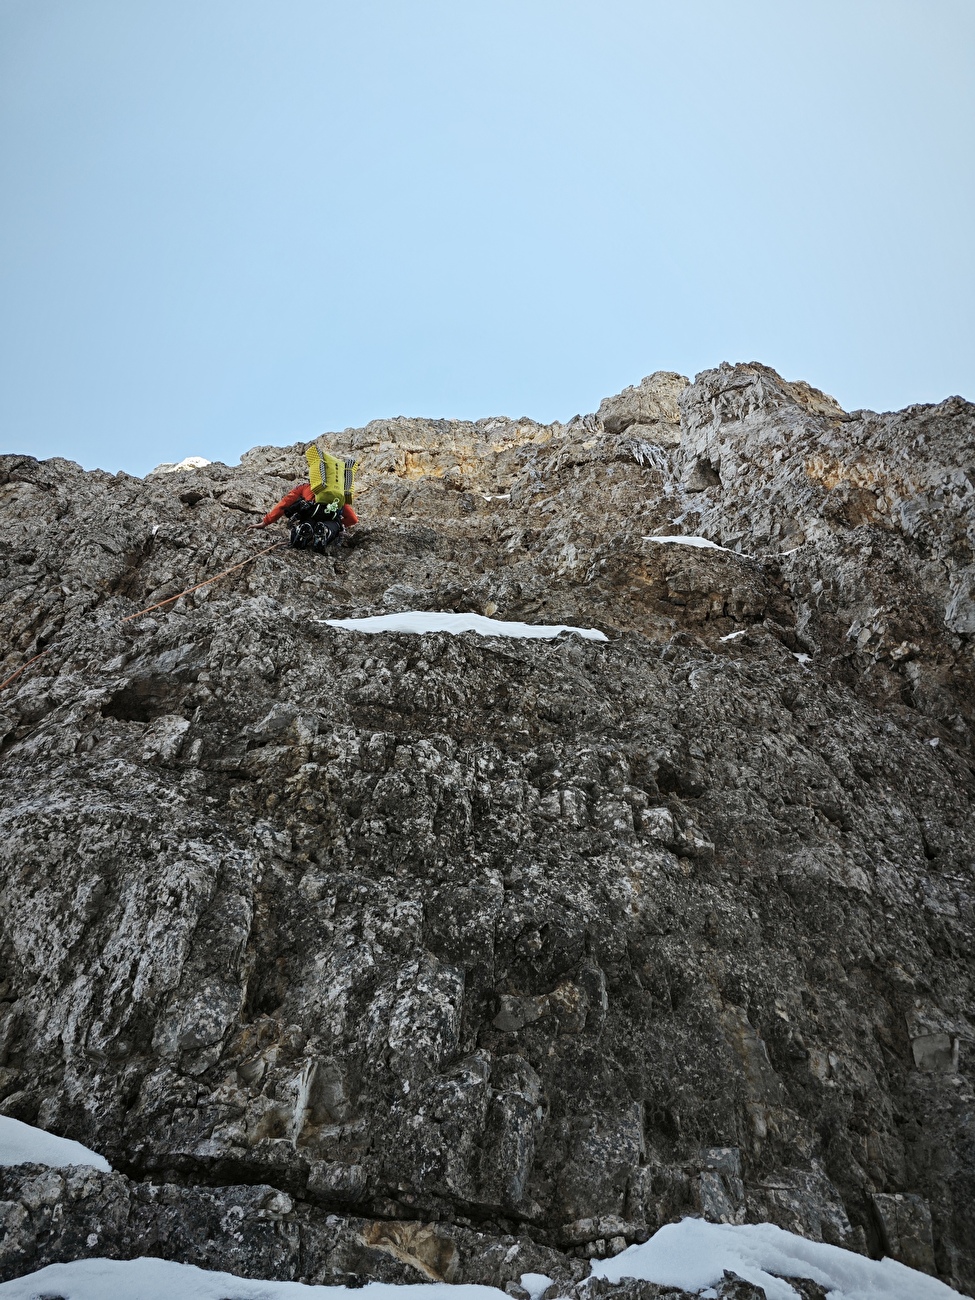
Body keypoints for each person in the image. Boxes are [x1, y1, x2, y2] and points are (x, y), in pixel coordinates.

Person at [249, 448, 359, 552]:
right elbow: (353, 519)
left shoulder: (305, 487)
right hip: (331, 517)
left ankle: (303, 531)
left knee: (307, 522)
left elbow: (284, 503)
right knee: (332, 526)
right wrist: (341, 524)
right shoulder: (338, 496)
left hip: (310, 514)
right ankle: (325, 531)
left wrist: (265, 522)